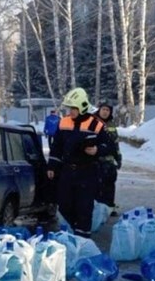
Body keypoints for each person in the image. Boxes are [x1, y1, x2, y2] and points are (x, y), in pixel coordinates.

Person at [47, 88, 112, 238]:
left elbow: (109, 147)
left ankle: (83, 237)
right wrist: (52, 166)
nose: (71, 111)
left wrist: (96, 150)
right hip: (67, 171)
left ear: (82, 107)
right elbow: (56, 147)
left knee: (84, 206)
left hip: (87, 172)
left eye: (74, 108)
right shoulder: (63, 122)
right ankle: (75, 227)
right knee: (64, 204)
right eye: (70, 108)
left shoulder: (96, 125)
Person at [93, 100, 122, 216]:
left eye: (108, 110)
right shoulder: (93, 122)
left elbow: (115, 142)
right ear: (99, 110)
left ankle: (109, 207)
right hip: (96, 159)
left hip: (109, 160)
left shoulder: (111, 124)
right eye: (103, 109)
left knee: (110, 184)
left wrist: (118, 157)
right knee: (97, 185)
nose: (105, 112)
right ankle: (97, 208)